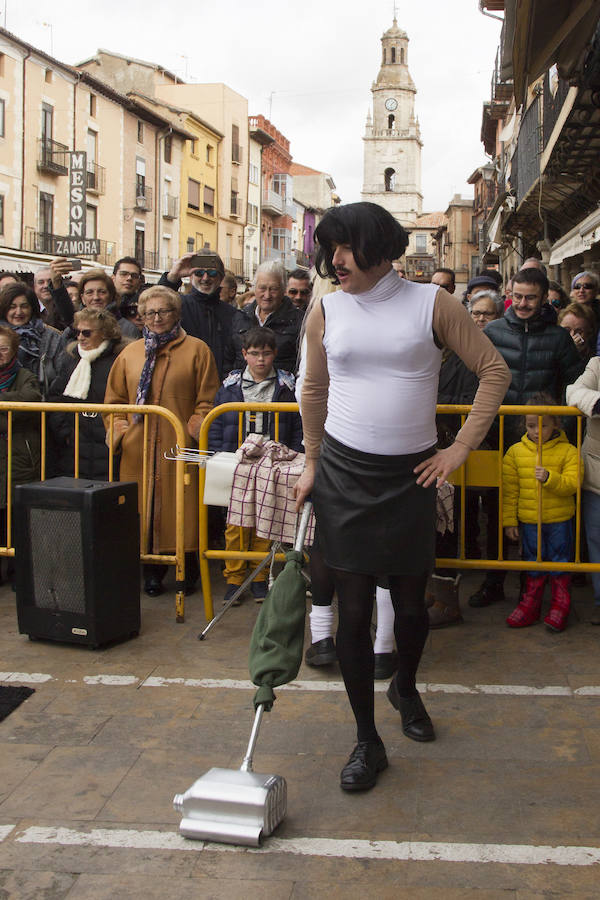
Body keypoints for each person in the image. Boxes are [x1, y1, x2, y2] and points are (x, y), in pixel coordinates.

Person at [294, 201, 510, 792]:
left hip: (409, 476)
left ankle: (405, 686)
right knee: (354, 609)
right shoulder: (326, 309)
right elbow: (314, 388)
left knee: (412, 605)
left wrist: (459, 448)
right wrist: (312, 462)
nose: (334, 261)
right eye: (329, 249)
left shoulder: (432, 304)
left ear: (382, 249)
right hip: (342, 472)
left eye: (345, 248)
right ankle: (367, 738)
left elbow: (494, 370)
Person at [469, 267, 585, 609]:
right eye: (517, 296)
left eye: (530, 297)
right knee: (495, 512)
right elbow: (474, 379)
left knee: (535, 514)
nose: (522, 303)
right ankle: (494, 582)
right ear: (509, 292)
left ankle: (530, 589)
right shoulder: (491, 332)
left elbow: (572, 386)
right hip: (499, 438)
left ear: (543, 298)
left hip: (543, 444)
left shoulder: (558, 338)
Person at [104, 285, 220, 597]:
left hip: (179, 446)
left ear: (176, 314)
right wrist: (122, 433)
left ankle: (187, 571)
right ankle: (151, 573)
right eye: (149, 313)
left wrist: (192, 428)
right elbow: (113, 402)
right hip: (138, 449)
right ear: (141, 317)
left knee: (185, 511)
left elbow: (208, 399)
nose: (156, 318)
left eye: (163, 311)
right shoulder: (129, 354)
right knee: (142, 508)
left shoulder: (198, 350)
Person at [208, 326, 303, 605]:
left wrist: (294, 452)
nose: (260, 360)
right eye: (254, 354)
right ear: (244, 354)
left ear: (274, 354)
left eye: (265, 354)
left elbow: (297, 425)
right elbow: (216, 423)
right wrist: (219, 455)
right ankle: (234, 579)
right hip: (237, 462)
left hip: (273, 462)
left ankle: (260, 577)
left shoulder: (287, 387)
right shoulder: (229, 388)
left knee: (265, 519)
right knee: (236, 522)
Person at [432, 288, 504, 628]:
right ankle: (438, 596)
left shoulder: (470, 355)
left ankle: (449, 602)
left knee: (458, 522)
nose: (478, 320)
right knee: (443, 523)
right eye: (474, 313)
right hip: (434, 448)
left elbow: (476, 392)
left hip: (463, 446)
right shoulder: (440, 352)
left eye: (486, 314)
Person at [503, 396, 581, 632]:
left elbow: (573, 483)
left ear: (555, 424)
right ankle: (530, 605)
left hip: (559, 521)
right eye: (531, 425)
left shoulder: (568, 451)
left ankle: (560, 605)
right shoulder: (515, 453)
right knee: (532, 563)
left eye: (544, 425)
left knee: (560, 563)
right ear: (524, 426)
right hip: (529, 521)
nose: (537, 431)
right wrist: (509, 522)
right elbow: (510, 491)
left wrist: (549, 478)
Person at [48, 309, 130, 480]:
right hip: (74, 449)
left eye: (86, 332)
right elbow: (55, 398)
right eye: (77, 332)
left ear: (105, 333)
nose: (80, 337)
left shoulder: (121, 360)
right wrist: (65, 433)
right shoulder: (71, 359)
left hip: (109, 448)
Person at [158, 252, 237, 381]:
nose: (205, 278)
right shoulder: (179, 306)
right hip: (183, 381)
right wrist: (173, 277)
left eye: (212, 273)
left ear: (221, 278)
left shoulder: (233, 314)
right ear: (190, 276)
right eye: (199, 273)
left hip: (221, 386)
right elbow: (156, 305)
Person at [566, 356, 600, 625]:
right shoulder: (597, 364)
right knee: (596, 540)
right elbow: (573, 391)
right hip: (596, 476)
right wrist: (596, 403)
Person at [0, 326, 41, 545]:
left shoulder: (25, 376)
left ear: (15, 350)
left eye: (4, 348)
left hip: (19, 458)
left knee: (16, 519)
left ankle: (19, 573)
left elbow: (31, 399)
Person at [230, 261, 303, 374]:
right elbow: (229, 359)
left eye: (273, 289)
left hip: (283, 390)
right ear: (254, 289)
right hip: (243, 389)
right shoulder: (239, 317)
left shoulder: (299, 321)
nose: (267, 295)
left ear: (284, 290)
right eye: (262, 288)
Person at [49, 262, 140, 344]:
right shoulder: (71, 331)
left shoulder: (128, 330)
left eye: (102, 292)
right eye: (89, 292)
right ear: (82, 298)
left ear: (111, 295)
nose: (96, 297)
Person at [0, 283, 63, 399]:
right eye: (12, 307)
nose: (18, 312)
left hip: (44, 408)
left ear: (32, 308)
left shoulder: (52, 338)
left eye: (24, 306)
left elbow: (61, 378)